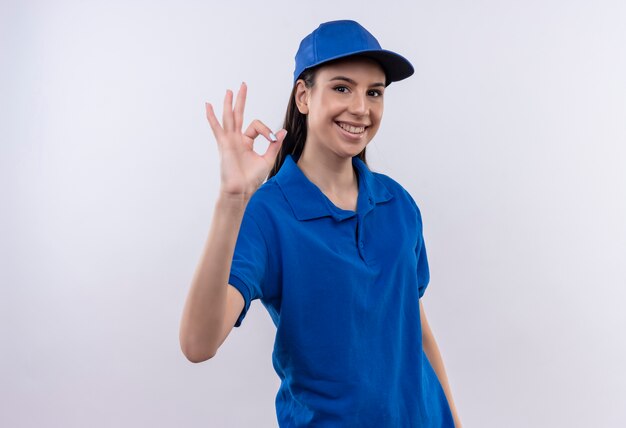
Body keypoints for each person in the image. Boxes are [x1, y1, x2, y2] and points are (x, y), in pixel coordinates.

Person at [179, 19, 462, 427]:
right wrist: (232, 200)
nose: (361, 108)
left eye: (375, 92)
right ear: (304, 96)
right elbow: (197, 343)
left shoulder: (397, 204)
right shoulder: (269, 214)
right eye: (342, 87)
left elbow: (416, 328)